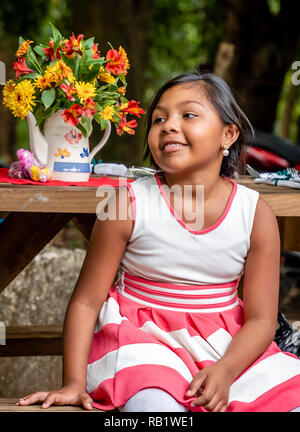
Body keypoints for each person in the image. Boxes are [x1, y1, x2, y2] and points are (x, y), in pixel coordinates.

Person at [18, 70, 300, 412]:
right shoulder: (127, 204)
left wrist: (225, 371)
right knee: (156, 409)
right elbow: (86, 303)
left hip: (226, 350)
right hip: (141, 343)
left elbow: (260, 320)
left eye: (189, 114)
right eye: (158, 119)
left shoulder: (255, 215)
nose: (168, 125)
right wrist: (75, 382)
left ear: (228, 134)